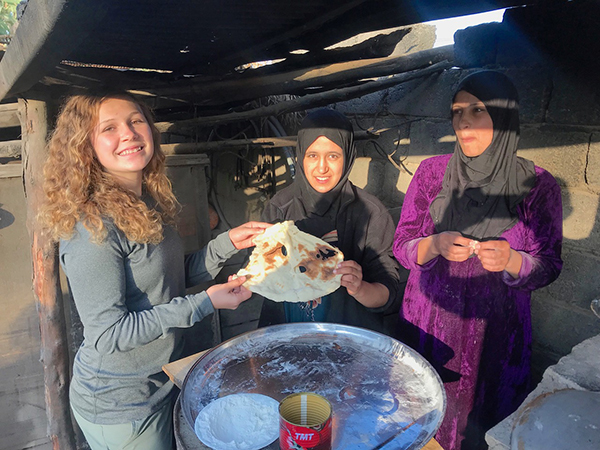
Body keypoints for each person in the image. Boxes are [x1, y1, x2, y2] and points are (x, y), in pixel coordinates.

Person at [39, 91, 271, 450]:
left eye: (135, 121)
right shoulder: (92, 229)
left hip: (160, 381)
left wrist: (228, 243)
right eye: (110, 128)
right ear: (84, 146)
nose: (129, 133)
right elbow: (108, 334)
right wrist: (204, 304)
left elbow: (170, 277)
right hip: (121, 402)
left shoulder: (144, 201)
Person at [393, 70, 563, 450]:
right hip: (427, 328)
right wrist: (433, 244)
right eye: (456, 111)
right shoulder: (431, 173)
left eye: (478, 110)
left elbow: (549, 264)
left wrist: (513, 260)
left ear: (505, 117)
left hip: (495, 341)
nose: (463, 121)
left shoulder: (537, 185)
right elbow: (402, 244)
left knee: (482, 433)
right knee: (418, 423)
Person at [258, 108, 400, 332]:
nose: (322, 167)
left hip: (348, 340)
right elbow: (261, 271)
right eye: (312, 155)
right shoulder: (280, 208)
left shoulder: (371, 213)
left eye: (333, 156)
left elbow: (387, 291)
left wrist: (360, 288)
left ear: (348, 156)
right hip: (286, 334)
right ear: (300, 155)